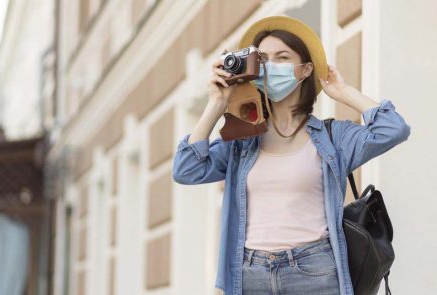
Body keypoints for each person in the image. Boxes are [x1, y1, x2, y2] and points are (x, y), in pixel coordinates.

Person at [172, 16, 410, 295]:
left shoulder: (333, 138)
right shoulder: (243, 140)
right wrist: (217, 102)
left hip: (314, 270)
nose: (270, 67)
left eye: (282, 58)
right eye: (263, 60)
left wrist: (343, 92)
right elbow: (186, 169)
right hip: (251, 273)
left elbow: (394, 129)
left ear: (305, 69)